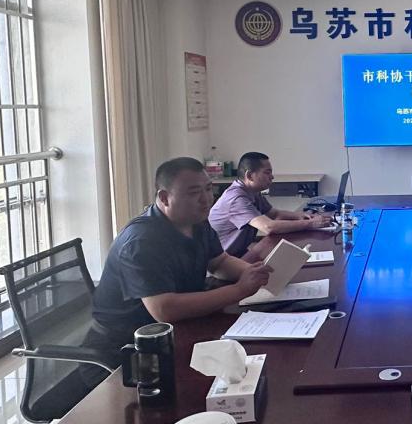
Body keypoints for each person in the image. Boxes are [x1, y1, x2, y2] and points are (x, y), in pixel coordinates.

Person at [82, 157, 273, 382]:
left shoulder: (197, 221)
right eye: (194, 193)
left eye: (208, 189)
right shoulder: (142, 241)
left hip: (174, 335)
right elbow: (165, 309)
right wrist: (239, 290)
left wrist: (255, 272)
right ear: (164, 197)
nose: (206, 199)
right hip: (124, 354)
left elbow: (219, 262)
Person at [209, 151, 332, 258]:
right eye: (267, 173)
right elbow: (268, 227)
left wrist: (302, 216)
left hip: (237, 253)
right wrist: (311, 224)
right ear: (249, 175)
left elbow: (274, 214)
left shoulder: (252, 192)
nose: (272, 177)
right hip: (221, 263)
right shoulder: (236, 198)